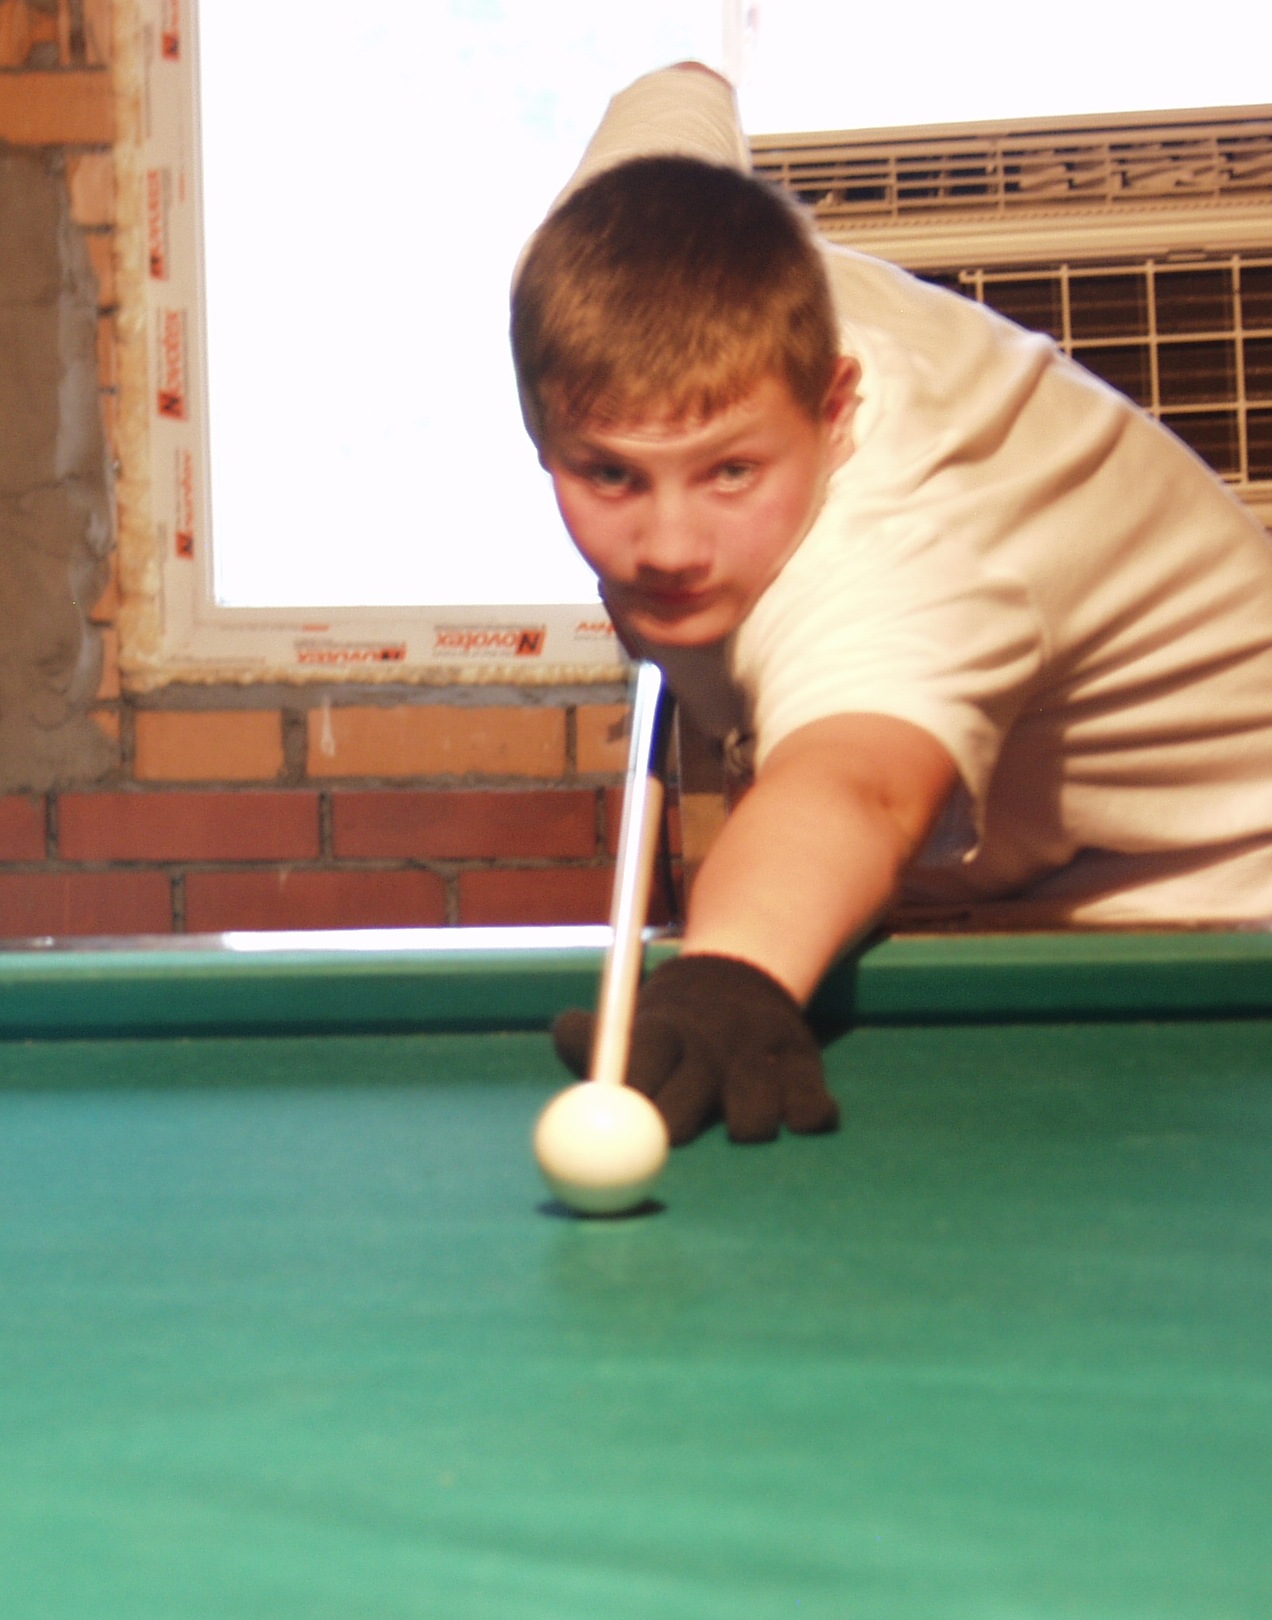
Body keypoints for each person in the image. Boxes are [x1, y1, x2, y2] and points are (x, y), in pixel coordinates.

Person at [513, 64, 1272, 1145]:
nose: (668, 548)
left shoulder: (902, 537)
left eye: (731, 471)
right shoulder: (603, 259)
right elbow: (683, 91)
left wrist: (727, 973)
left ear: (834, 408)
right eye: (610, 474)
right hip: (1000, 879)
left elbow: (856, 786)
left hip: (1212, 901)